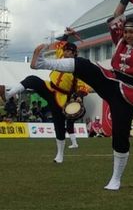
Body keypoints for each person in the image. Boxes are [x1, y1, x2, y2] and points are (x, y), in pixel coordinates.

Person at [31, 0, 133, 190]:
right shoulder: (120, 39)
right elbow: (116, 17)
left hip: (129, 92)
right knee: (84, 65)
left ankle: (116, 178)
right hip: (112, 80)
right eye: (126, 31)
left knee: (120, 136)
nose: (127, 35)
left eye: (132, 32)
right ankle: (42, 64)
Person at [4, 34, 90, 163]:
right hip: (50, 87)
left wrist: (79, 96)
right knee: (32, 79)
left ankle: (60, 154)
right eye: (65, 50)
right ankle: (8, 95)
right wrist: (67, 34)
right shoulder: (61, 57)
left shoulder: (78, 68)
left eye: (69, 51)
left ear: (74, 53)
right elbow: (61, 43)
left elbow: (83, 87)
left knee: (59, 125)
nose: (66, 53)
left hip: (62, 98)